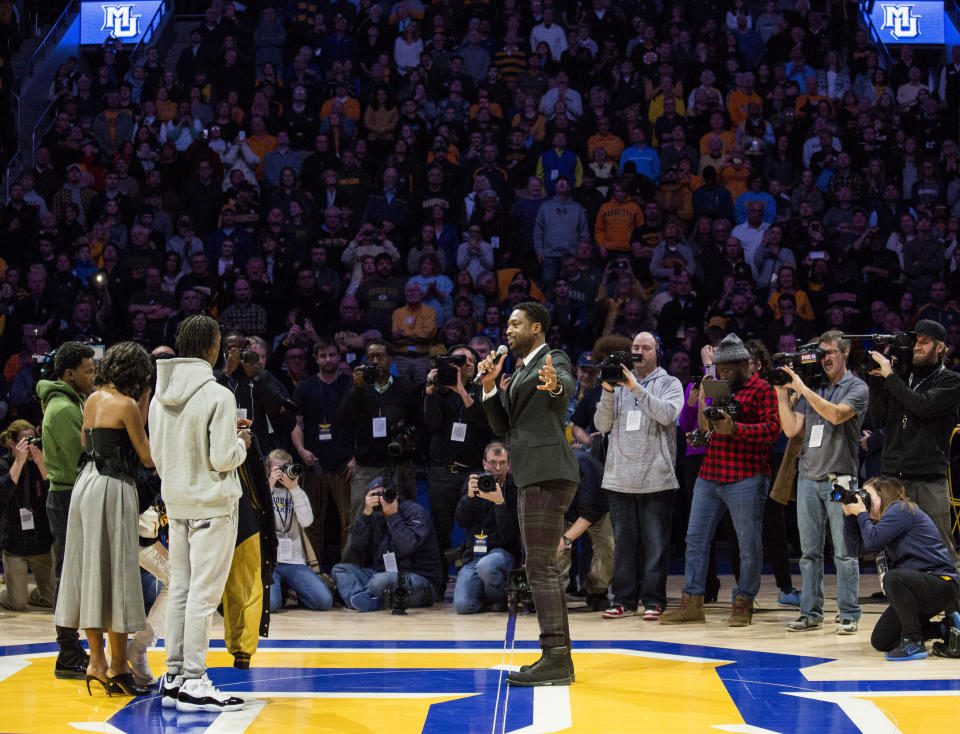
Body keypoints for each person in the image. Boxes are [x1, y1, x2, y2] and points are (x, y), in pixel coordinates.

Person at [150, 315, 252, 713]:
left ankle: (174, 674)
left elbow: (159, 455)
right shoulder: (217, 395)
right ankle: (194, 678)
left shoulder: (160, 395)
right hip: (212, 505)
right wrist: (241, 441)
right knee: (203, 597)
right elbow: (223, 457)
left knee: (180, 590)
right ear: (212, 348)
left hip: (176, 503)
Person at [478, 301, 580, 686]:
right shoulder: (518, 370)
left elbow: (564, 386)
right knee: (538, 564)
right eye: (507, 324)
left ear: (537, 327)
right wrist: (489, 386)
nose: (508, 330)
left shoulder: (552, 359)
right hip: (532, 473)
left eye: (515, 324)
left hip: (548, 471)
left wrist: (556, 385)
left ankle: (556, 656)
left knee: (540, 566)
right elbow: (504, 424)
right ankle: (556, 655)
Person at [54, 342, 155, 697]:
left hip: (87, 485)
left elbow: (85, 439)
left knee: (91, 572)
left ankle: (95, 663)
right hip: (114, 487)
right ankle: (117, 668)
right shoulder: (127, 404)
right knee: (116, 573)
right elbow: (146, 458)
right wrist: (144, 403)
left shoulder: (94, 399)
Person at [660, 333, 779, 627]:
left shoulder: (763, 389)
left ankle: (743, 604)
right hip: (710, 473)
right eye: (719, 369)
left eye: (726, 369)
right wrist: (704, 431)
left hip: (747, 476)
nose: (721, 374)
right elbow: (706, 425)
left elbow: (773, 430)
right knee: (695, 540)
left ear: (743, 365)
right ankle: (692, 603)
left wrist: (736, 429)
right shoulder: (716, 386)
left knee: (748, 545)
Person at [775, 331, 868, 634]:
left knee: (843, 551)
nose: (825, 358)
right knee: (809, 553)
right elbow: (790, 430)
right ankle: (810, 613)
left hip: (840, 478)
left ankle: (850, 613)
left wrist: (802, 388)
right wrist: (781, 392)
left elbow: (837, 415)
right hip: (808, 477)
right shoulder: (811, 388)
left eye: (830, 352)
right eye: (821, 353)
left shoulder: (856, 387)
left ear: (845, 353)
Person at [594, 332, 684, 621]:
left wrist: (633, 386)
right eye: (635, 347)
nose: (640, 352)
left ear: (657, 352)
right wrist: (609, 391)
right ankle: (623, 600)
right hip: (619, 476)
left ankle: (654, 600)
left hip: (656, 476)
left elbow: (667, 415)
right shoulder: (616, 385)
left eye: (646, 347)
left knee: (656, 544)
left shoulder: (670, 383)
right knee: (623, 544)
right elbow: (601, 424)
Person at [867, 319, 960, 571]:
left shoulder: (951, 380)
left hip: (928, 477)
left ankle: (954, 608)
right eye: (915, 342)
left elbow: (923, 406)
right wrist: (877, 381)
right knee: (896, 549)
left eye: (924, 342)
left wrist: (890, 377)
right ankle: (904, 605)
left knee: (942, 546)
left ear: (939, 347)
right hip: (894, 476)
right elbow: (879, 419)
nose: (917, 347)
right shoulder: (900, 378)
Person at [843, 477, 960, 660]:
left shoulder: (900, 509)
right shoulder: (884, 522)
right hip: (918, 590)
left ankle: (913, 642)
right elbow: (855, 549)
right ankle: (946, 628)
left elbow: (873, 540)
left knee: (893, 578)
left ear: (883, 494)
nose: (862, 499)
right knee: (881, 640)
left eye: (867, 495)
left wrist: (862, 514)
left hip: (940, 584)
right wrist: (850, 517)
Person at [38, 341, 96, 680]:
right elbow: (81, 456)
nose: (92, 376)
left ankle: (72, 647)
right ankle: (67, 651)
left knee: (74, 574)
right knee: (68, 576)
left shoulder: (70, 401)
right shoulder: (62, 408)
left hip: (69, 494)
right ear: (69, 373)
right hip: (66, 496)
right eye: (87, 371)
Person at [423, 343, 492, 580]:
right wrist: (430, 391)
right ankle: (438, 582)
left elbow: (485, 424)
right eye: (460, 360)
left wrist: (462, 390)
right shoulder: (439, 391)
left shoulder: (484, 390)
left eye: (471, 360)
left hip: (471, 472)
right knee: (440, 531)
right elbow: (431, 424)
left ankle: (472, 579)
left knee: (474, 528)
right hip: (441, 473)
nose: (467, 364)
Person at [331, 476, 443, 611]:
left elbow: (407, 546)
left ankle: (362, 597)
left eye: (384, 493)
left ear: (395, 493)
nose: (381, 499)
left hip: (420, 579)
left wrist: (393, 515)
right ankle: (360, 599)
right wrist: (366, 513)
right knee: (341, 569)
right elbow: (356, 548)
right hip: (383, 575)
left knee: (380, 582)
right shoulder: (373, 515)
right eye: (375, 495)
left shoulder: (414, 511)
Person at [291, 338, 354, 561]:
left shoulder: (351, 384)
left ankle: (348, 569)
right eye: (323, 356)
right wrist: (301, 450)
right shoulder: (305, 387)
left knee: (348, 521)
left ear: (339, 357)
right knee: (311, 521)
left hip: (343, 463)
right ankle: (313, 568)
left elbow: (361, 424)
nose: (328, 360)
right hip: (314, 463)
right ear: (316, 359)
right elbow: (296, 425)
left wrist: (355, 457)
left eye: (332, 355)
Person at [453, 441, 521, 614]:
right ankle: (485, 596)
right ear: (484, 463)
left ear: (509, 464)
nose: (497, 468)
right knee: (463, 606)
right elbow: (461, 521)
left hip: (502, 553)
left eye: (502, 463)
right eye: (492, 463)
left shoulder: (516, 488)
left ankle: (498, 599)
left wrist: (499, 503)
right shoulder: (474, 483)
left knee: (487, 566)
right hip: (474, 555)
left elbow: (511, 536)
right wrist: (469, 497)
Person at [266, 449, 333, 612]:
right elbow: (258, 519)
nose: (282, 473)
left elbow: (307, 521)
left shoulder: (297, 491)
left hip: (294, 561)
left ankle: (293, 591)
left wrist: (294, 488)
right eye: (277, 470)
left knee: (324, 602)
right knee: (272, 605)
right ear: (268, 470)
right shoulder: (263, 491)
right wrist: (270, 485)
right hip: (270, 562)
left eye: (284, 468)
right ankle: (284, 591)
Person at [0, 420, 54, 611]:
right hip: (14, 544)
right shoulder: (4, 464)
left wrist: (40, 464)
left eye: (33, 440)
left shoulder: (41, 461)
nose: (30, 446)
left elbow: (54, 495)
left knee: (51, 599)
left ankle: (22, 588)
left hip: (41, 542)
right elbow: (3, 495)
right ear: (12, 443)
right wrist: (19, 462)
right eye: (25, 441)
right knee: (17, 603)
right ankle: (13, 592)